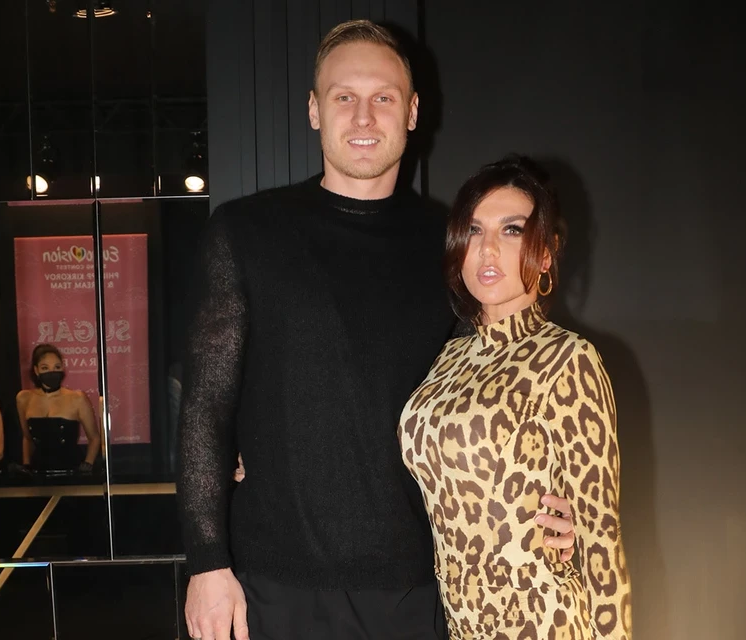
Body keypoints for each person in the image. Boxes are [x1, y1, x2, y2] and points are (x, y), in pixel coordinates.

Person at [179, 20, 578, 640]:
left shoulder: (453, 245)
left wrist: (565, 500)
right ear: (314, 110)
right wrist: (207, 563)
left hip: (420, 588)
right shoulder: (245, 232)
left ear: (412, 111)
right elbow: (205, 408)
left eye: (383, 97)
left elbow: (504, 381)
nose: (363, 116)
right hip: (270, 587)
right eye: (344, 96)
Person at [399, 156, 632, 639]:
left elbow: (601, 541)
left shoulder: (569, 358)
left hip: (544, 621)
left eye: (511, 230)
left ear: (545, 254)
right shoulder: (449, 357)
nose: (487, 249)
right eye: (474, 230)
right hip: (461, 624)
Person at [16, 343, 101, 473]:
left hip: (71, 470)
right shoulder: (24, 398)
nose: (52, 372)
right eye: (45, 368)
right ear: (36, 370)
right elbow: (27, 438)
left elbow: (94, 437)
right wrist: (26, 465)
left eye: (57, 367)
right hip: (38, 472)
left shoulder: (77, 398)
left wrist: (87, 464)